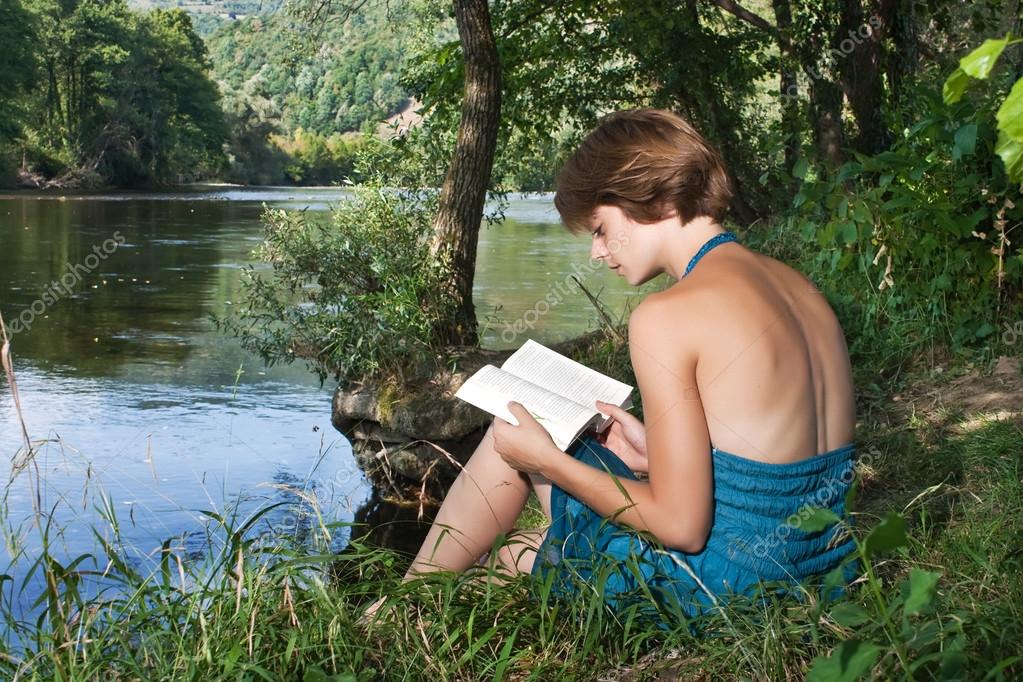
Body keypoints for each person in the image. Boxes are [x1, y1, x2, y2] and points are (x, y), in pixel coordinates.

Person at [389, 108, 858, 621]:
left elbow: (682, 527)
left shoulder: (667, 315)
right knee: (523, 549)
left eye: (600, 227)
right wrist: (655, 458)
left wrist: (547, 462)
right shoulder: (800, 289)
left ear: (650, 197)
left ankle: (398, 610)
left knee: (514, 428)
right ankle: (418, 611)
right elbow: (778, 465)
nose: (596, 252)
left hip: (724, 591)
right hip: (817, 569)